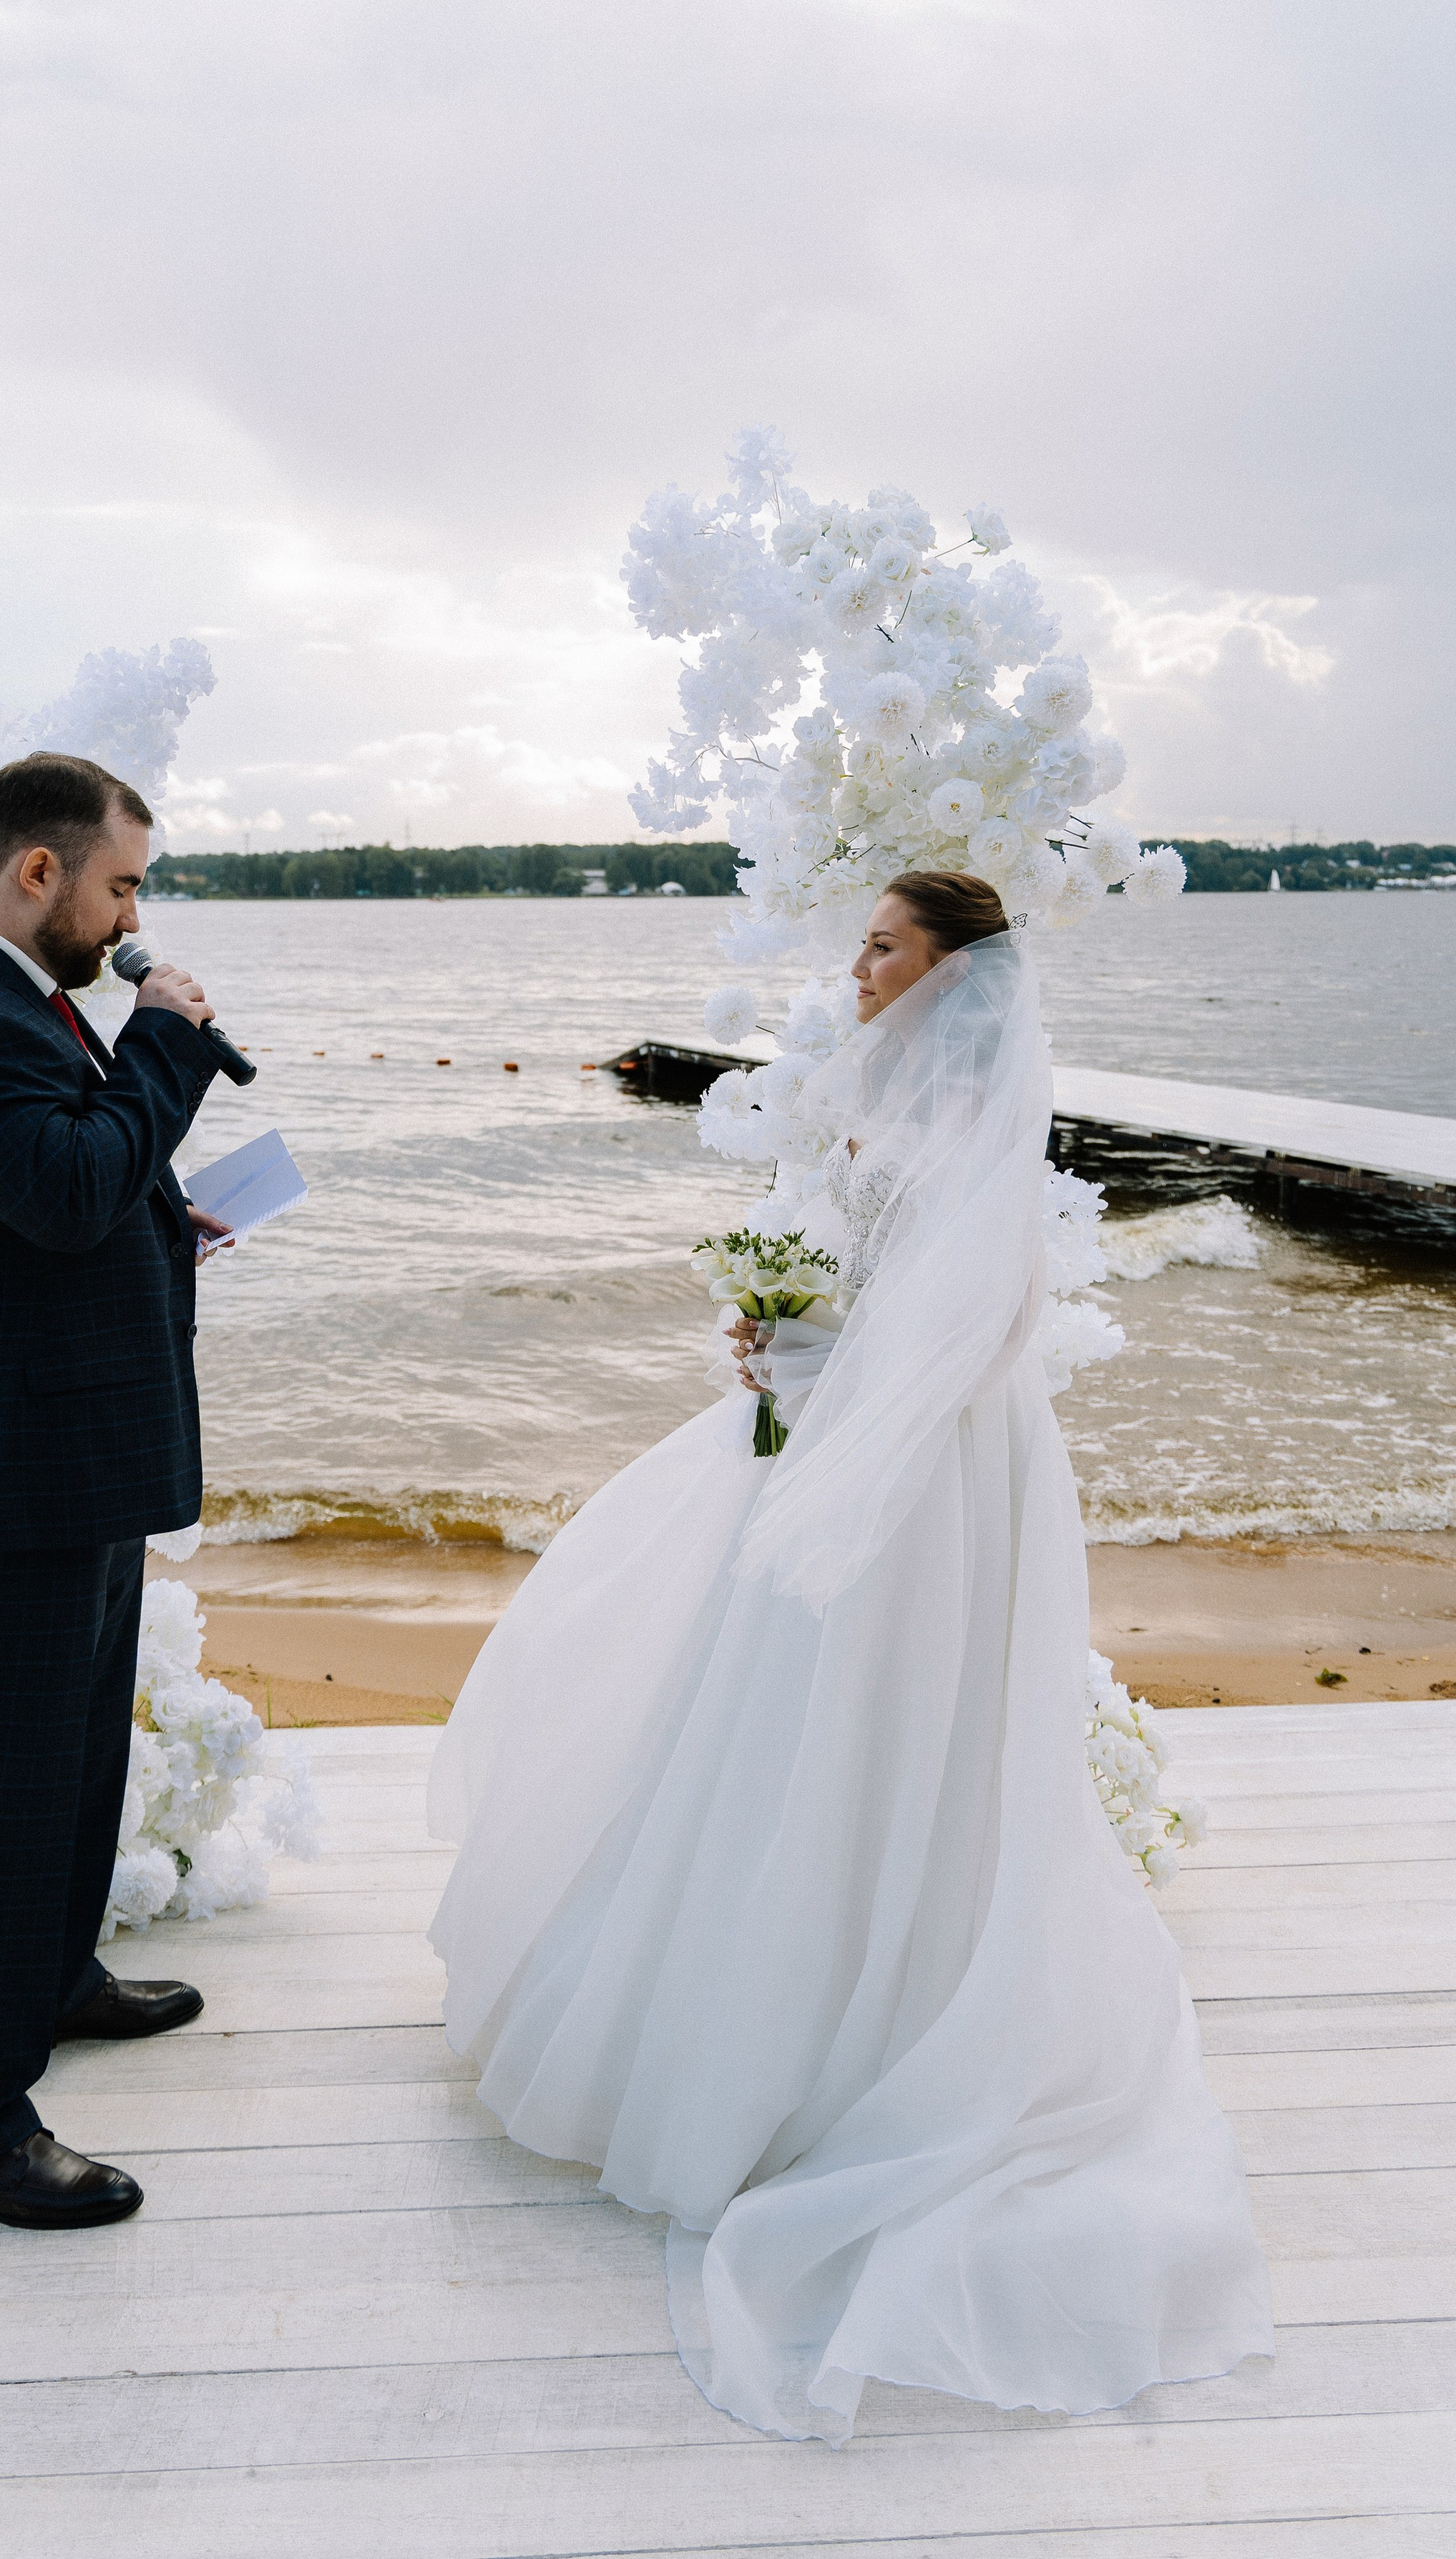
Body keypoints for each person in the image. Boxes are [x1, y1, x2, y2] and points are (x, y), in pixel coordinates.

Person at [428, 869, 1273, 2441]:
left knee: (881, 1729)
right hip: (829, 1443)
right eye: (863, 942)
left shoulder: (976, 1144)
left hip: (922, 1484)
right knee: (748, 1720)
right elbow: (843, 1287)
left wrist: (824, 1368)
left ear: (953, 975)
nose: (860, 967)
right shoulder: (871, 1122)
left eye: (884, 946)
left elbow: (968, 1325)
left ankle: (852, 2040)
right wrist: (771, 1341)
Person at [0, 749, 234, 2231]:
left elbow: (56, 1187)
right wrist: (169, 1049)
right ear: (37, 873)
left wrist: (157, 1203)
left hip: (52, 1456)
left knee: (72, 1757)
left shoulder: (9, 998)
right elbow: (63, 1185)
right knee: (0, 1796)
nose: (133, 914)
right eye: (121, 884)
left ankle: (49, 1978)